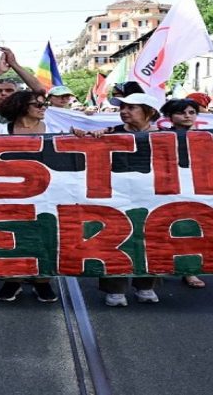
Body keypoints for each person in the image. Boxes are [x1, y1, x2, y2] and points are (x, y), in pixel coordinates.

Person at [73, 92, 162, 306]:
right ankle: (115, 289)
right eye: (122, 107)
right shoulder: (110, 133)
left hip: (153, 197)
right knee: (113, 238)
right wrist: (85, 136)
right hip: (116, 197)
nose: (124, 111)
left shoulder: (167, 136)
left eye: (131, 107)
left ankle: (146, 286)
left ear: (149, 112)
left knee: (151, 239)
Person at [0, 90, 59, 303]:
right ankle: (13, 280)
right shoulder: (0, 130)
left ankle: (43, 282)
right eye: (38, 105)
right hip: (10, 194)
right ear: (22, 107)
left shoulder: (54, 128)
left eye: (44, 104)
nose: (43, 108)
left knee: (45, 236)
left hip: (47, 194)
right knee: (12, 235)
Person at [159, 98, 207, 289]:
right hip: (167, 188)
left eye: (191, 112)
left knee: (190, 228)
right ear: (170, 117)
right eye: (181, 113)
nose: (187, 116)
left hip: (195, 189)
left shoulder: (209, 136)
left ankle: (189, 270)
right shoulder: (159, 136)